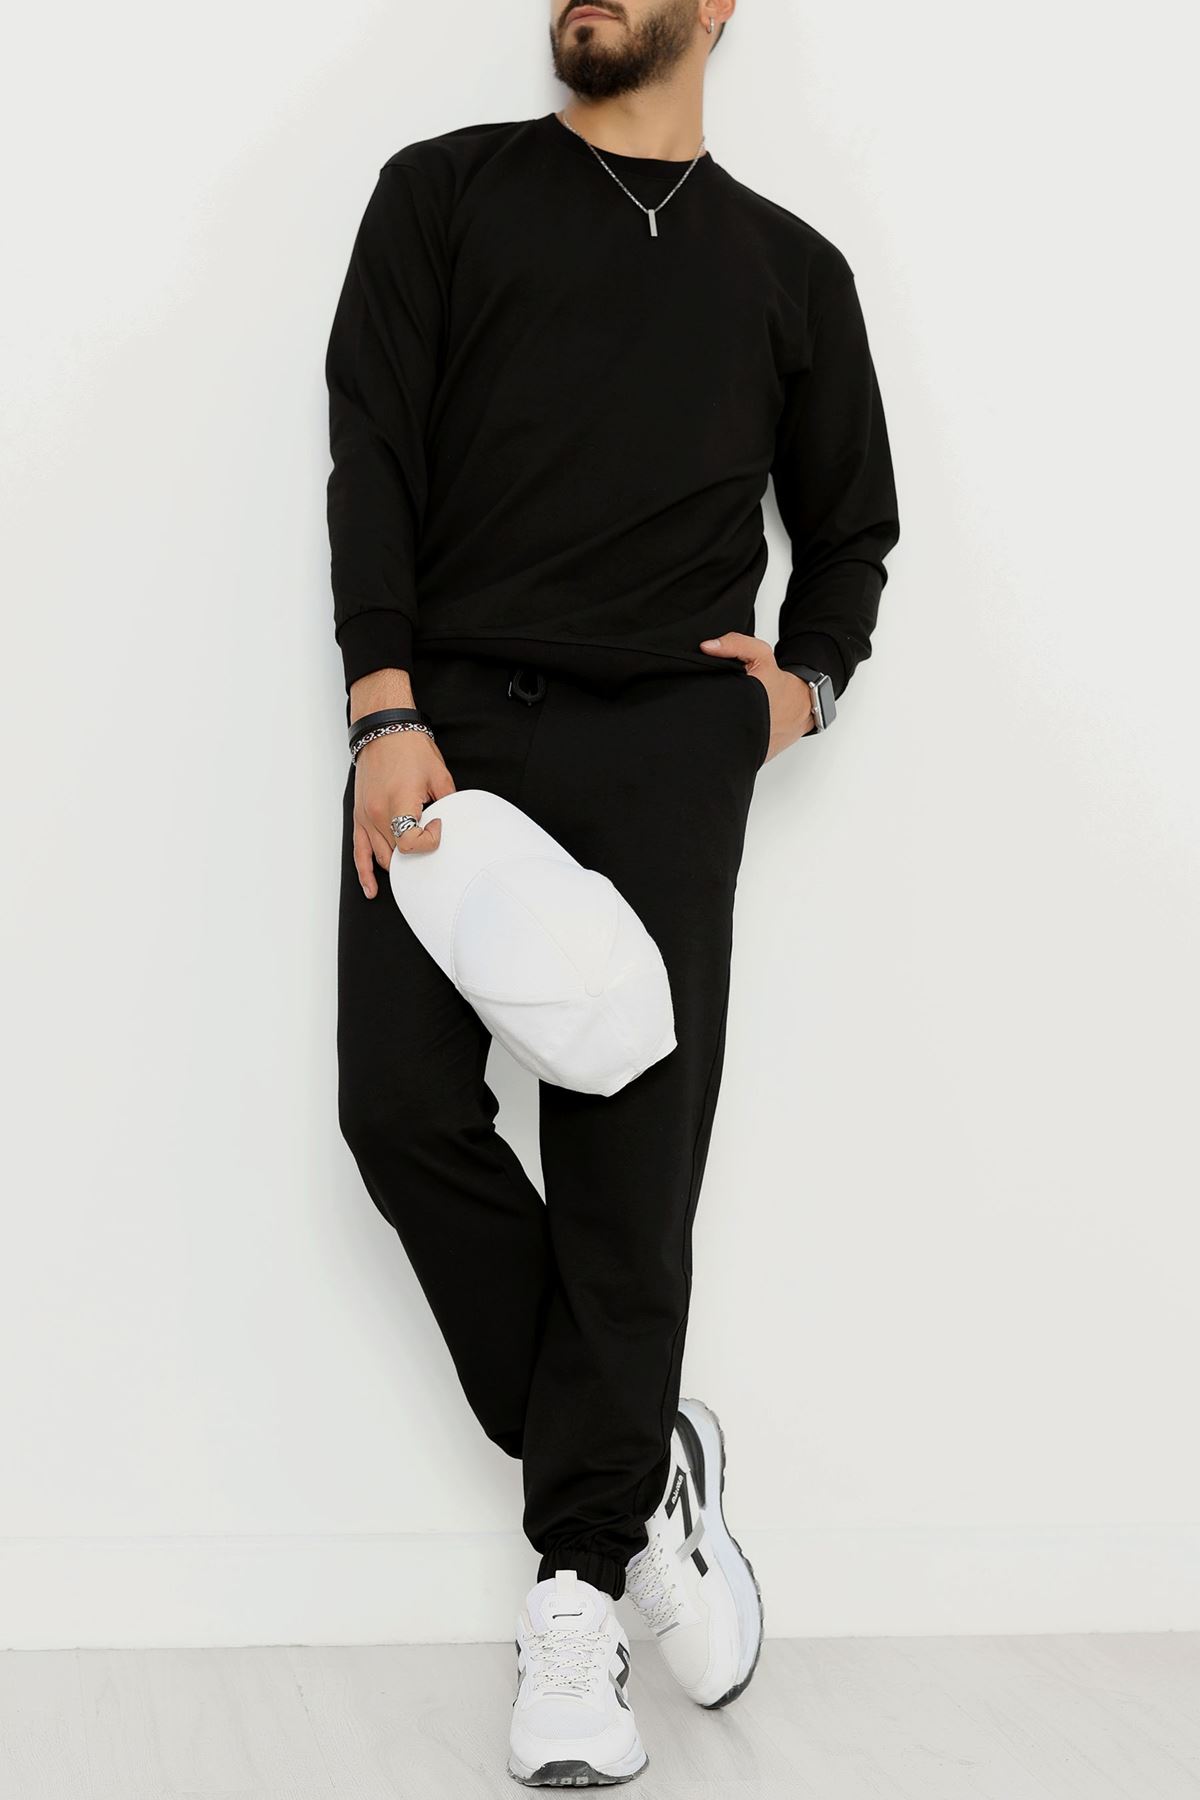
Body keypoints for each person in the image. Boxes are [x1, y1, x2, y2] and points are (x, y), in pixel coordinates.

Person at [325, 0, 899, 1785]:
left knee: (628, 1184)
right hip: (448, 736)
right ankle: (641, 1468)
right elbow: (373, 453)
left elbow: (853, 532)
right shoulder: (443, 195)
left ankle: (577, 1599)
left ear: (718, 11)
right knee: (399, 1111)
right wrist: (383, 706)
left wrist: (801, 689)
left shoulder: (791, 271)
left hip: (667, 741)